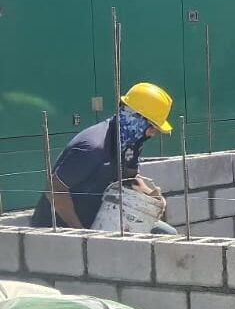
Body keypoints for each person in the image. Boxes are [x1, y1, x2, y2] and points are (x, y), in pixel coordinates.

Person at [31, 82, 178, 234]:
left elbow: (129, 179)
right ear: (135, 117)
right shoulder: (93, 147)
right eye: (152, 126)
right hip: (61, 230)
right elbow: (55, 189)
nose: (153, 133)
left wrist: (151, 196)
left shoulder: (130, 144)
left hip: (100, 219)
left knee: (166, 234)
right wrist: (83, 235)